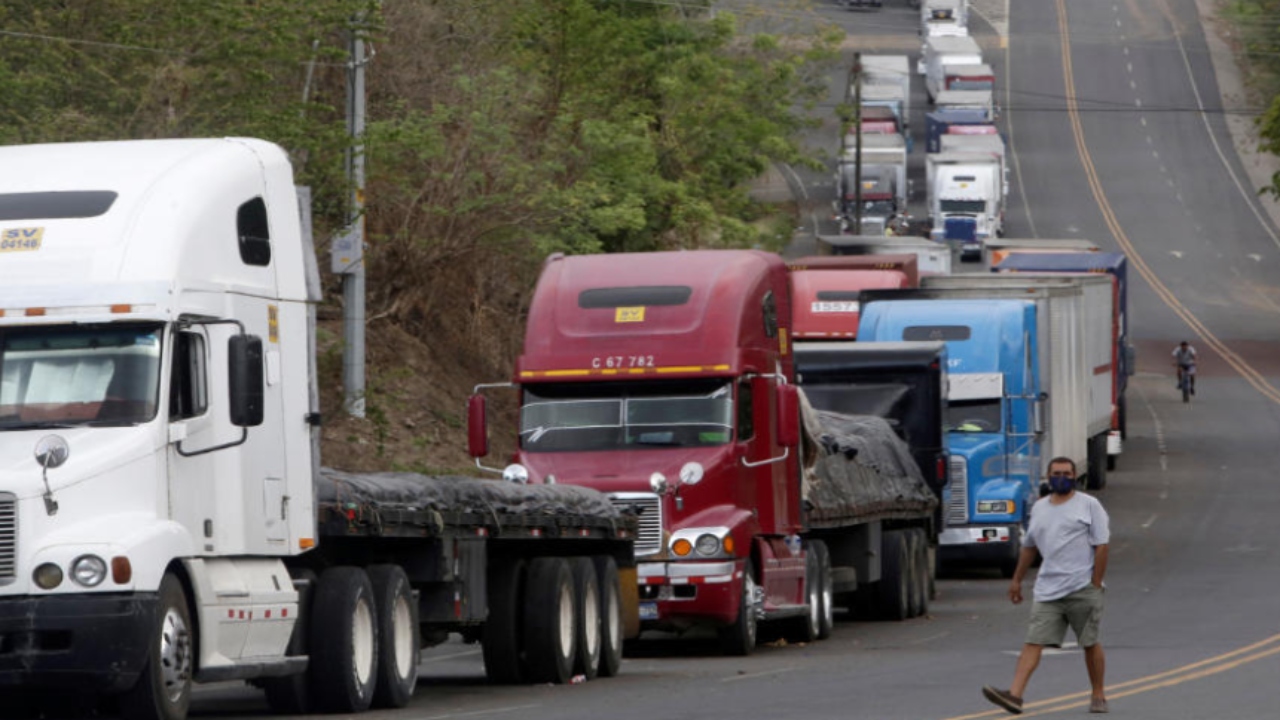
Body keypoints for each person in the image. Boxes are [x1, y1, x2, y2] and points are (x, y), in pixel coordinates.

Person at [982, 457, 1111, 715]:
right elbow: (1029, 547)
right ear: (1048, 477)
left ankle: (1098, 693)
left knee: (1089, 642)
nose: (1061, 477)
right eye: (1056, 473)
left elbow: (1102, 544)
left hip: (1081, 586)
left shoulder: (1089, 505)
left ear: (1075, 476)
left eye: (1066, 473)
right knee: (1033, 641)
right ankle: (1015, 695)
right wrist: (1017, 580)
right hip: (1048, 589)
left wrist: (1095, 582)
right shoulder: (1040, 507)